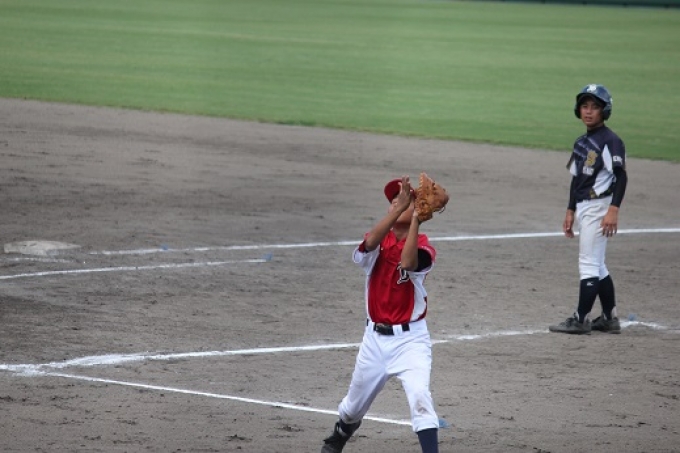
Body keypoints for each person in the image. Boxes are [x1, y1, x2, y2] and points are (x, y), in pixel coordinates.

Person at [320, 175, 440, 453]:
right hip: (374, 341)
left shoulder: (424, 246)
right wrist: (402, 209)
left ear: (419, 209)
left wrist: (415, 220)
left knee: (420, 398)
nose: (397, 202)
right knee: (352, 408)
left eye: (405, 199)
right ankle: (340, 435)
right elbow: (370, 242)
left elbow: (407, 262)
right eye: (394, 200)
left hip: (411, 341)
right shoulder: (378, 241)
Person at [549, 84, 628, 335]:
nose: (589, 111)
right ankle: (609, 318)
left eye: (595, 107)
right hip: (584, 207)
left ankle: (581, 319)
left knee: (588, 264)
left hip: (599, 207)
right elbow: (576, 179)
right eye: (585, 106)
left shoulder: (611, 141)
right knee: (597, 264)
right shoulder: (581, 142)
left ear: (605, 111)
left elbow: (621, 176)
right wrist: (570, 210)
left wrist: (613, 209)